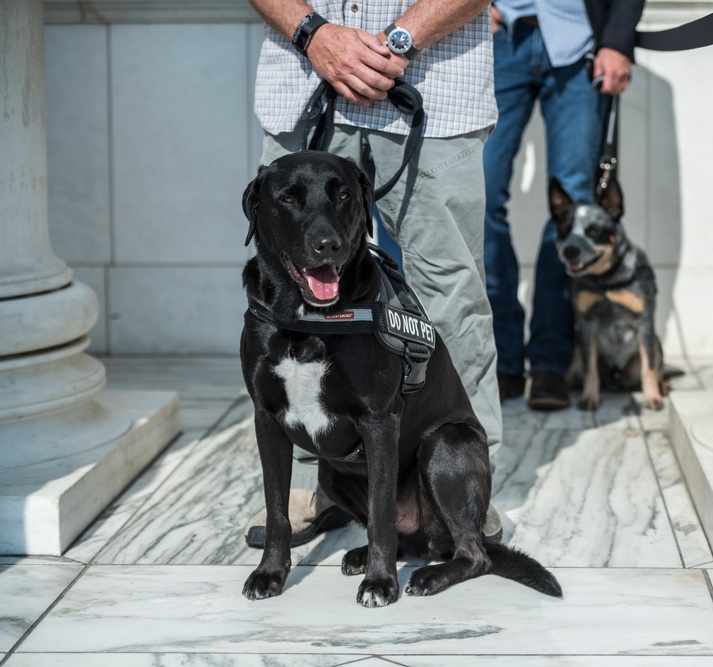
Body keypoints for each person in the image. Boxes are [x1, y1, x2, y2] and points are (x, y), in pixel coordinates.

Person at [243, 0, 503, 547]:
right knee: (290, 295)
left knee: (449, 296)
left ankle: (465, 489)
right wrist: (312, 34)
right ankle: (329, 482)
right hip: (305, 80)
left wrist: (394, 44)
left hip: (434, 83)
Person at [484, 0, 645, 410]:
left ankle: (550, 362)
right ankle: (500, 357)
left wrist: (617, 41)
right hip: (501, 39)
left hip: (581, 44)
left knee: (575, 205)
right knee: (480, 193)